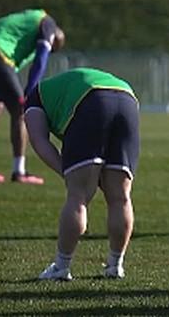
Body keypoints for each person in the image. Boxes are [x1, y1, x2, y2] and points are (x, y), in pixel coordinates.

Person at [25, 68, 139, 281]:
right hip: (127, 98)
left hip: (90, 100)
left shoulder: (33, 98)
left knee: (78, 196)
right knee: (120, 196)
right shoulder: (57, 87)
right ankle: (115, 265)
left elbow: (39, 141)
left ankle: (61, 267)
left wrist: (66, 173)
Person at [0, 9, 66, 185]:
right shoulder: (47, 23)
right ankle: (19, 171)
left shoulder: (28, 21)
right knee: (20, 111)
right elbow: (41, 59)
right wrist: (30, 90)